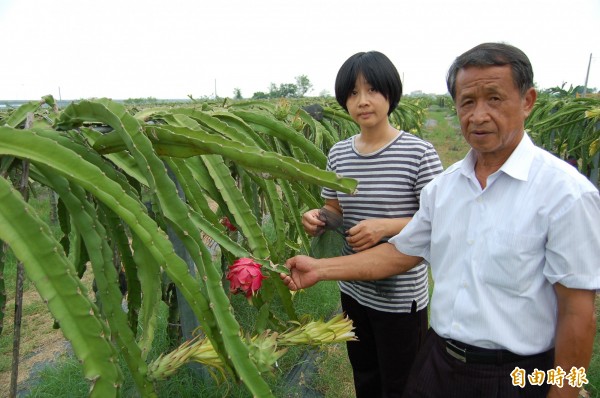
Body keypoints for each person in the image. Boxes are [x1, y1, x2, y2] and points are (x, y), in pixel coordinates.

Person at [281, 42, 600, 398]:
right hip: (439, 358)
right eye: (467, 102)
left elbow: (578, 310)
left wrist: (566, 392)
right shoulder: (445, 188)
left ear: (527, 101)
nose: (478, 115)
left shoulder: (567, 194)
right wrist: (320, 269)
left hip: (518, 374)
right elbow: (399, 254)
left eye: (494, 99)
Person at [301, 51, 443, 397]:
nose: (362, 101)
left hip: (400, 298)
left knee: (402, 383)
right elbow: (335, 210)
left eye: (372, 90)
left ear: (390, 93)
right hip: (353, 289)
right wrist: (319, 218)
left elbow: (439, 220)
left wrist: (386, 226)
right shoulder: (338, 154)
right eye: (352, 93)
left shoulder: (419, 153)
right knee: (365, 375)